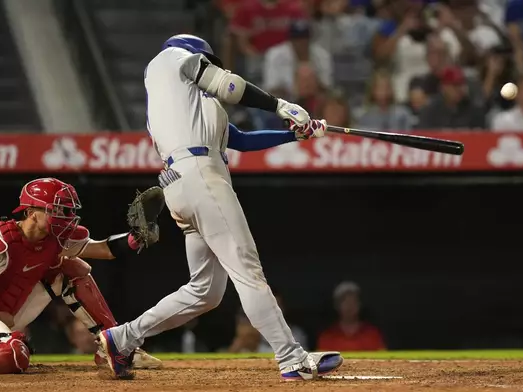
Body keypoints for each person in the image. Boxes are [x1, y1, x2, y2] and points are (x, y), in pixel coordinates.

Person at [98, 34, 343, 381]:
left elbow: (240, 140)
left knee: (205, 291)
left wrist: (294, 134)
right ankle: (292, 358)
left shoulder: (185, 104)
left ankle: (121, 338)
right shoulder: (171, 58)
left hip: (186, 185)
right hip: (202, 178)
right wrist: (279, 105)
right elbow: (228, 85)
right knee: (248, 271)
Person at [0, 178, 162, 374]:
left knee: (73, 268)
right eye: (58, 210)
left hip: (7, 313)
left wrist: (136, 238)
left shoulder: (55, 239)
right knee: (11, 357)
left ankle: (114, 347)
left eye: (68, 210)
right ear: (31, 213)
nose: (67, 217)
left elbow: (102, 249)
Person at [317, 281, 386, 352]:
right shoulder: (327, 336)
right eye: (345, 301)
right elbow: (322, 361)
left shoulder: (372, 334)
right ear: (337, 305)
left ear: (360, 304)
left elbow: (383, 361)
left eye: (353, 301)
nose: (349, 305)